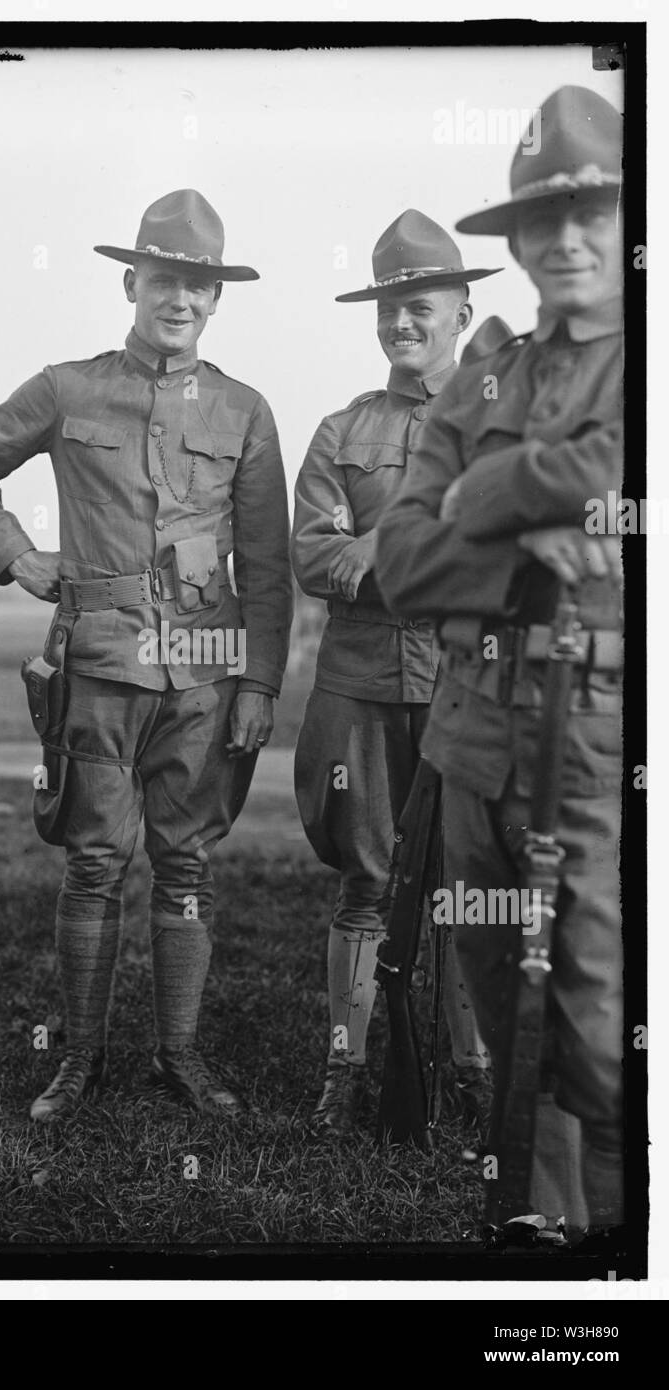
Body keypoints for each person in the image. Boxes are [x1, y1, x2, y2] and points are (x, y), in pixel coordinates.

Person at [0, 189, 293, 1122]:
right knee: (95, 863)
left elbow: (266, 562)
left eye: (200, 286)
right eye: (165, 279)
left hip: (207, 672)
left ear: (217, 301)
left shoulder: (246, 411)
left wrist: (260, 680)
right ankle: (80, 1063)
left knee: (186, 867)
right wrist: (16, 556)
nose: (181, 299)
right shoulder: (66, 386)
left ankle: (179, 1058)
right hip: (98, 660)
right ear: (133, 283)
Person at [375, 87, 624, 1236]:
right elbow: (403, 563)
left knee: (598, 1000)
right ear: (514, 243)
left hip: (611, 735)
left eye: (594, 211)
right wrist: (528, 540)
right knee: (502, 981)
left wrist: (496, 489)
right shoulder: (483, 379)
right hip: (475, 729)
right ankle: (549, 1227)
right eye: (543, 220)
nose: (566, 239)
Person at [291, 210, 496, 1135]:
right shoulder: (343, 431)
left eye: (420, 307)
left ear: (460, 309)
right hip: (363, 687)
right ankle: (344, 1069)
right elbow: (312, 557)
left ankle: (471, 1067)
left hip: (468, 685)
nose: (402, 326)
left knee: (464, 879)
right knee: (364, 880)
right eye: (388, 313)